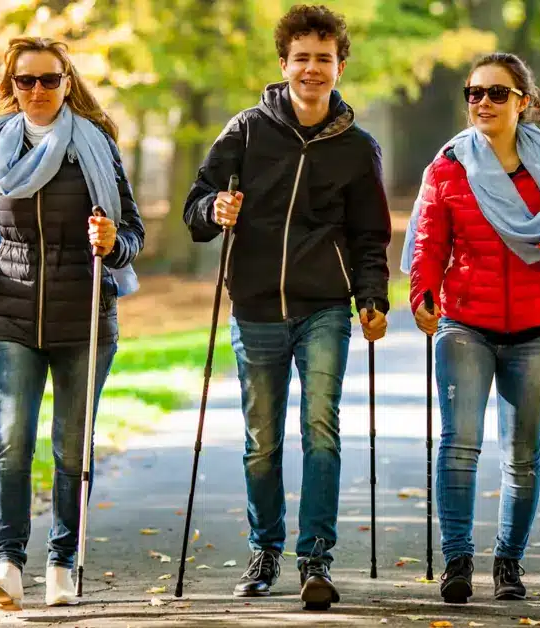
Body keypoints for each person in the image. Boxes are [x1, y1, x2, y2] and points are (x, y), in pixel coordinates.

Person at [182, 3, 391, 609]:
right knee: (262, 439)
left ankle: (316, 558)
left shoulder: (358, 147)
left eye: (323, 59)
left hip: (325, 305)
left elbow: (369, 237)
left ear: (340, 65)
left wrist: (372, 297)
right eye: (302, 58)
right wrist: (212, 212)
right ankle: (265, 548)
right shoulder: (246, 131)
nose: (312, 69)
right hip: (255, 308)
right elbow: (198, 205)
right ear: (284, 64)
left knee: (321, 432)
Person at [0, 36, 145, 609]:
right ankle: (7, 564)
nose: (37, 91)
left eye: (49, 80)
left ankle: (62, 562)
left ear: (67, 82)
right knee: (12, 441)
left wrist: (113, 244)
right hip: (10, 314)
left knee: (69, 446)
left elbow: (132, 233)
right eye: (24, 81)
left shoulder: (95, 146)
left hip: (83, 316)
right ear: (10, 86)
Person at [402, 52, 540, 604]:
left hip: (536, 329)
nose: (482, 102)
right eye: (474, 93)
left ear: (523, 102)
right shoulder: (448, 168)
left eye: (496, 93)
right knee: (459, 445)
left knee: (523, 456)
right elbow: (428, 243)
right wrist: (422, 295)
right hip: (465, 324)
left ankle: (509, 564)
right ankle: (457, 561)